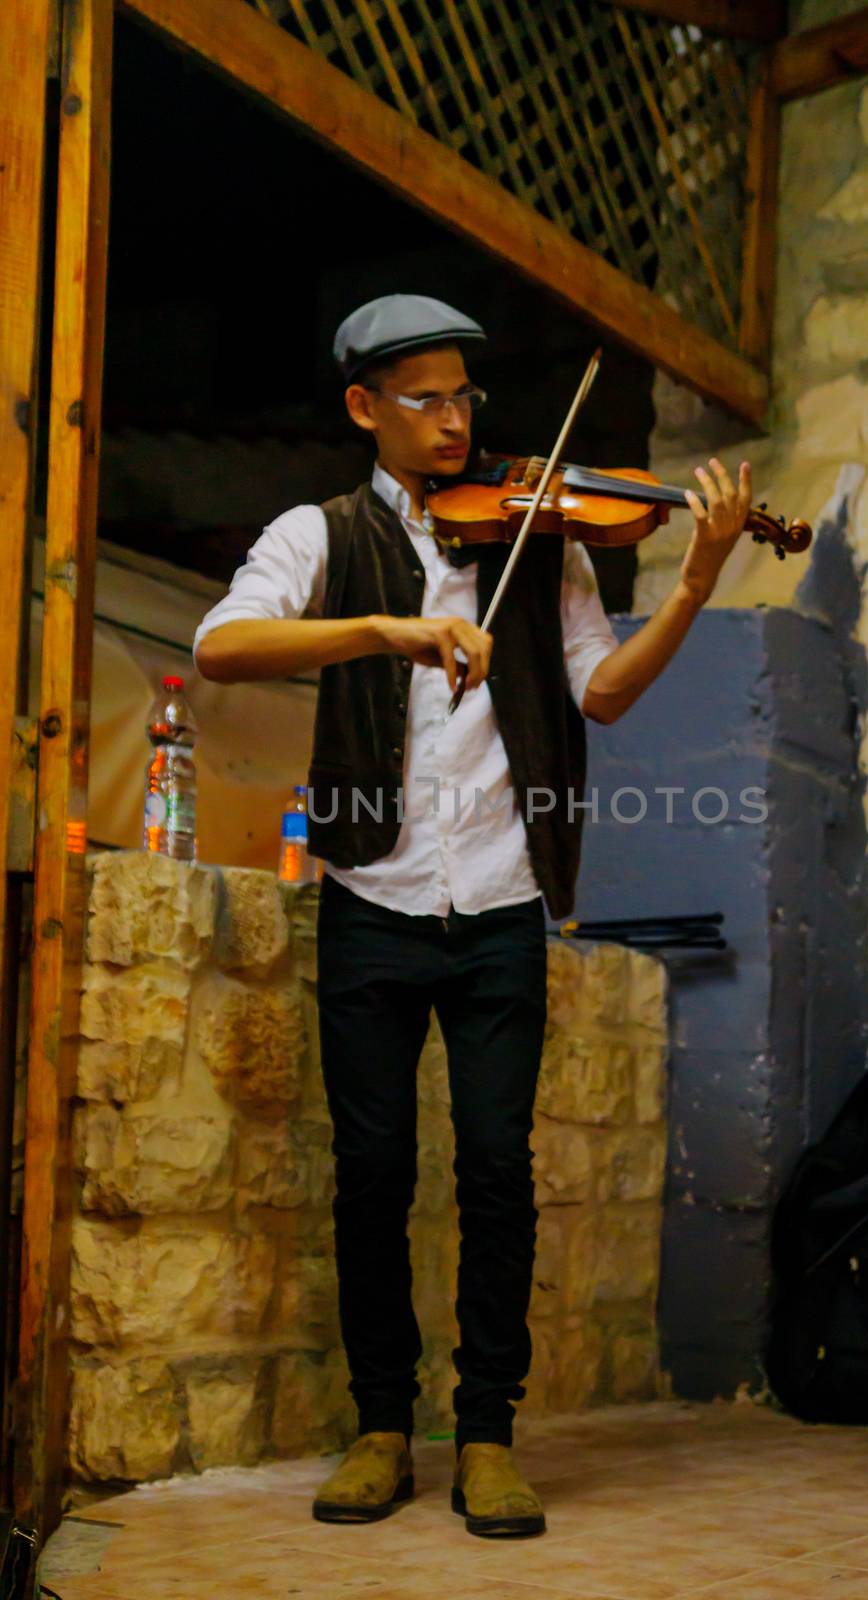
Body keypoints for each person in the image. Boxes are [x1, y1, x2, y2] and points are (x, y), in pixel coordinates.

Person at [193, 293, 753, 1539]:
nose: (453, 422)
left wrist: (696, 579)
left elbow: (601, 694)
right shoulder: (320, 534)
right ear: (363, 408)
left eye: (464, 398)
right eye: (425, 399)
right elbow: (223, 645)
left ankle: (488, 1434)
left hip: (499, 901)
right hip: (371, 900)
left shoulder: (539, 542)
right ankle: (382, 1426)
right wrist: (388, 628)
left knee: (499, 1172)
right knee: (374, 1173)